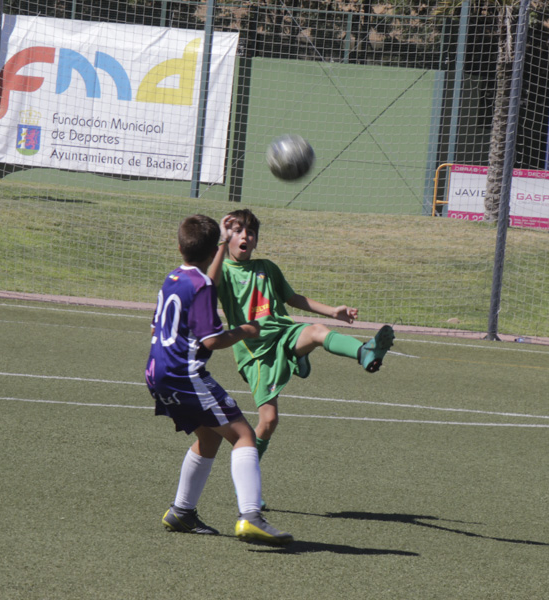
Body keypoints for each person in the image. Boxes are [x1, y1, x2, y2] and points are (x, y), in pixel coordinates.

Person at [145, 214, 292, 546]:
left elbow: (158, 325)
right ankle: (251, 517)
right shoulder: (202, 288)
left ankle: (182, 511)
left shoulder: (173, 278)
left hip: (157, 371)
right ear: (215, 252)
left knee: (208, 438)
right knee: (243, 435)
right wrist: (246, 330)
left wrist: (222, 243)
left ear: (180, 245)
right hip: (185, 374)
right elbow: (212, 340)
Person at [206, 209, 394, 465]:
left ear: (256, 240)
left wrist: (333, 311)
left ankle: (364, 352)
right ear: (229, 237)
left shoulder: (267, 267)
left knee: (317, 330)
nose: (245, 236)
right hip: (256, 353)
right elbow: (208, 284)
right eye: (238, 231)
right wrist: (220, 239)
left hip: (283, 332)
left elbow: (293, 299)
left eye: (250, 232)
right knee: (269, 421)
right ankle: (249, 474)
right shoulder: (225, 270)